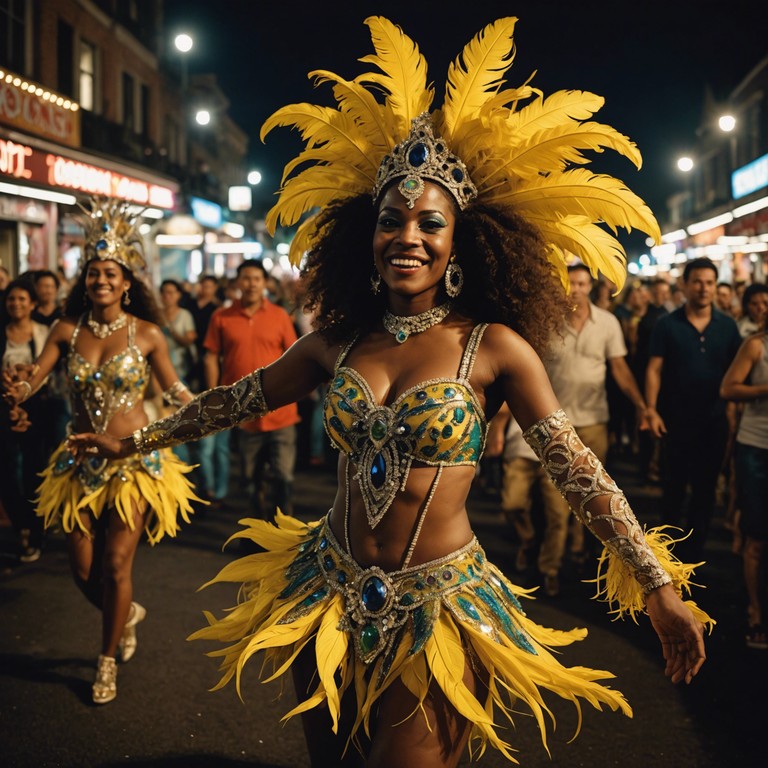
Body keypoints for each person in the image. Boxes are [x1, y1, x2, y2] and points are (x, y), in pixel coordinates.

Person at [67, 18, 711, 767]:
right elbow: (235, 399)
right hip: (325, 590)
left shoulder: (493, 347)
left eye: (430, 222)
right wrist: (134, 440)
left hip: (439, 606)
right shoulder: (338, 341)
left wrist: (656, 582)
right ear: (365, 240)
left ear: (460, 242)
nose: (408, 234)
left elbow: (576, 467)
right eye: (390, 220)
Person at [3, 199, 202, 705]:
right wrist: (17, 392)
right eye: (93, 273)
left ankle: (107, 658)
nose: (101, 281)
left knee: (116, 566)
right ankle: (125, 611)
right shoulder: (66, 331)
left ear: (127, 282)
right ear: (84, 280)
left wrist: (206, 406)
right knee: (83, 571)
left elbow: (176, 391)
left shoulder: (149, 334)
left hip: (134, 462)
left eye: (110, 273)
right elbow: (36, 378)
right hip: (79, 463)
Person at [541, 263, 650, 592]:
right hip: (554, 427)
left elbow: (619, 368)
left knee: (590, 498)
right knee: (554, 504)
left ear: (590, 286)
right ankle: (550, 567)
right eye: (571, 283)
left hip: (594, 423)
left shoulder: (608, 323)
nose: (577, 289)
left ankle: (580, 555)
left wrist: (642, 406)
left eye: (582, 283)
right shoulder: (547, 322)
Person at [645, 257, 742, 561]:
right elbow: (654, 370)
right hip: (676, 420)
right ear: (685, 285)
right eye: (697, 282)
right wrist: (651, 409)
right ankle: (667, 555)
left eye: (710, 283)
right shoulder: (667, 325)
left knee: (705, 489)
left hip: (714, 421)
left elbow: (737, 371)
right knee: (673, 488)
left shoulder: (727, 327)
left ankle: (695, 554)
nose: (704, 288)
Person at [202, 259, 299, 518]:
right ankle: (255, 533)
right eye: (246, 278)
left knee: (283, 476)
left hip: (281, 410)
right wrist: (215, 395)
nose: (252, 284)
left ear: (265, 283)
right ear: (238, 283)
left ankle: (284, 532)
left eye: (257, 278)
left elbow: (294, 356)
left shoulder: (279, 316)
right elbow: (211, 356)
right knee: (249, 478)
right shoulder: (222, 317)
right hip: (244, 413)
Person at [720, 312, 768, 649]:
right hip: (757, 449)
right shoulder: (756, 345)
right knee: (758, 536)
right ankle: (756, 611)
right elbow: (728, 388)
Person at [0, 278, 50, 562]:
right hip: (4, 407)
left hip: (37, 409)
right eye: (11, 299)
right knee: (7, 470)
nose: (16, 304)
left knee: (35, 468)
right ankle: (20, 526)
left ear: (32, 304)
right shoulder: (1, 333)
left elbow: (47, 372)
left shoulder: (44, 333)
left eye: (22, 299)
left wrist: (25, 388)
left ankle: (36, 529)